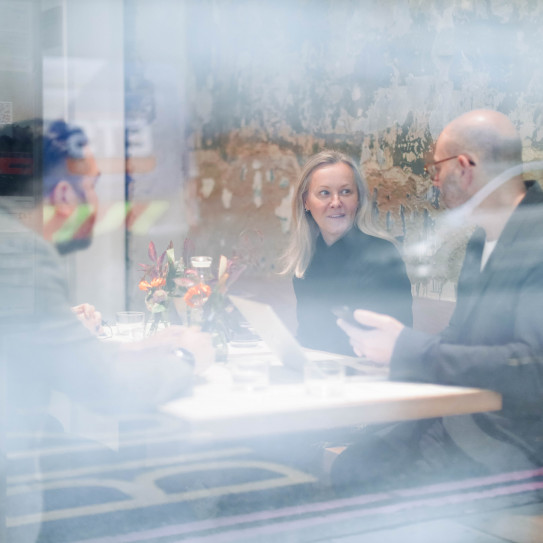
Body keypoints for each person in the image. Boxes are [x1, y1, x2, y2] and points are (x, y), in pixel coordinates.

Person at [334, 110, 543, 490]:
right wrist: (391, 356)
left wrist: (409, 349)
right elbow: (459, 338)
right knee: (353, 464)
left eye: (436, 168)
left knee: (367, 478)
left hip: (512, 443)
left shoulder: (537, 238)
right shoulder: (480, 241)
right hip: (459, 420)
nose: (432, 179)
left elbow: (533, 368)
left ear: (464, 167)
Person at [0, 119, 214, 422]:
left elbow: (36, 354)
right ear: (64, 196)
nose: (97, 201)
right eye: (91, 185)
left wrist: (135, 348)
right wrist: (187, 356)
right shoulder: (21, 254)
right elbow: (105, 388)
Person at [281, 150, 412, 355]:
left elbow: (393, 344)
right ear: (306, 201)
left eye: (345, 192)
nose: (336, 202)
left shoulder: (382, 255)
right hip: (320, 377)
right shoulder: (308, 257)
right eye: (324, 193)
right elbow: (309, 336)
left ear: (358, 199)